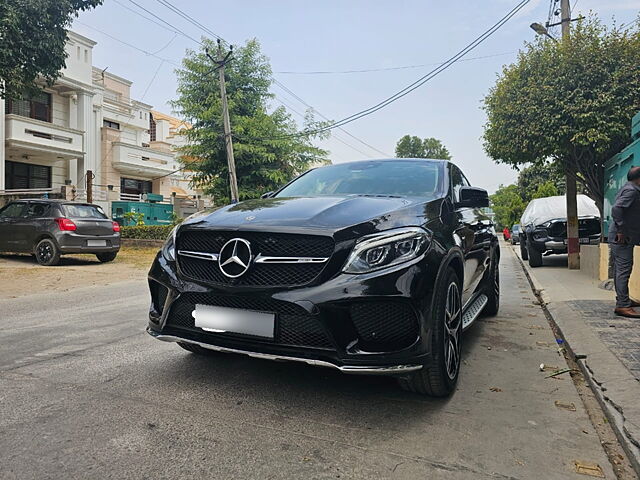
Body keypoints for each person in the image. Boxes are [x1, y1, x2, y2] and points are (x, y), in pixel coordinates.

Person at [609, 166, 640, 318]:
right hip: (622, 237)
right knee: (623, 270)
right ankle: (622, 305)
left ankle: (623, 300)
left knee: (620, 269)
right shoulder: (632, 191)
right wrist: (621, 230)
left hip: (623, 237)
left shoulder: (628, 188)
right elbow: (616, 209)